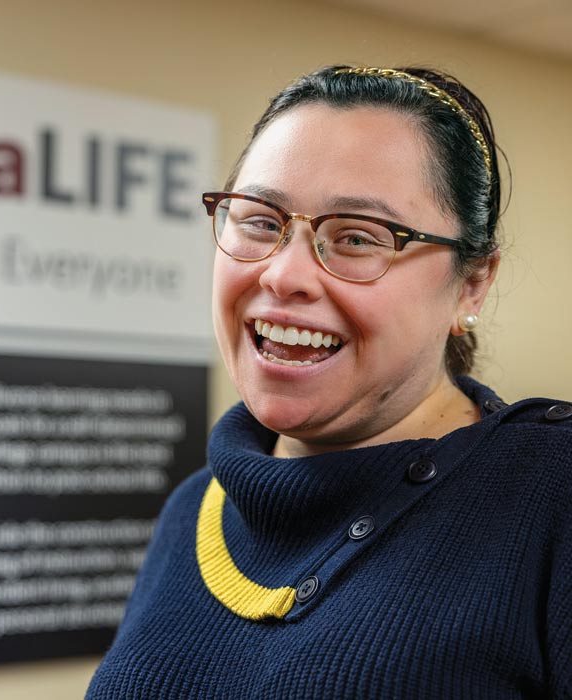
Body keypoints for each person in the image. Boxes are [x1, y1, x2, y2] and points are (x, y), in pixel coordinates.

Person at [86, 66, 572, 699]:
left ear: (471, 282)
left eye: (356, 238)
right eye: (261, 221)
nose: (284, 276)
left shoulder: (551, 493)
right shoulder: (194, 509)